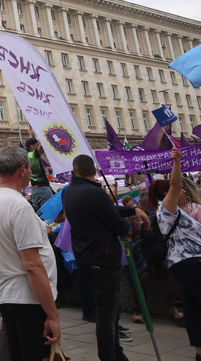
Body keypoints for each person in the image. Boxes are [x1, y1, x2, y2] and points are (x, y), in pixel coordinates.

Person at [62, 155, 149, 361]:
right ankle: (109, 356)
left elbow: (105, 210)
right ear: (94, 172)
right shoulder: (95, 193)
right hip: (103, 258)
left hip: (85, 257)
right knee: (107, 313)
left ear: (74, 172)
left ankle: (116, 353)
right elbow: (118, 225)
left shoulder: (69, 192)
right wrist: (127, 224)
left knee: (108, 310)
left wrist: (131, 209)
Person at [0, 146, 60, 361]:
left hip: (7, 296)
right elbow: (32, 265)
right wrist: (52, 315)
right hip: (29, 299)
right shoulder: (19, 205)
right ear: (22, 170)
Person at [146, 149, 201, 360]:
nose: (186, 192)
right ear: (168, 195)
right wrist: (176, 162)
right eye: (182, 192)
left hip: (190, 263)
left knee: (192, 308)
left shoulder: (181, 212)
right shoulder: (167, 210)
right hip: (190, 263)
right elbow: (176, 185)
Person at [25, 138, 53, 212]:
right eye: (37, 144)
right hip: (43, 189)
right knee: (47, 214)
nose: (38, 146)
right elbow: (43, 148)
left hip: (34, 191)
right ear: (32, 146)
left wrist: (31, 135)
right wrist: (45, 136)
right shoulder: (33, 155)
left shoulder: (26, 156)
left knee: (38, 215)